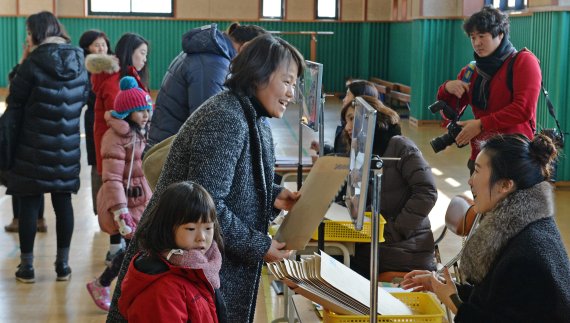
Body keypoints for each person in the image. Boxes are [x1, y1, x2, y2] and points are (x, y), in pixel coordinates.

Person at [107, 34, 305, 323]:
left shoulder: (250, 115)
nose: (291, 93)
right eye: (286, 82)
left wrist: (272, 194)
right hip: (174, 274)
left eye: (294, 85)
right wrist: (259, 246)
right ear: (259, 75)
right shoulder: (226, 117)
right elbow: (208, 207)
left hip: (194, 267)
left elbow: (234, 182)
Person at [401, 134, 570, 322]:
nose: (470, 181)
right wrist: (443, 286)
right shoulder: (523, 228)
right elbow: (500, 300)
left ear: (505, 185)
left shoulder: (526, 255)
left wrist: (453, 301)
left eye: (477, 171)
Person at [4, 11, 88, 283]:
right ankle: (62, 266)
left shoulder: (33, 62)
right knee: (63, 202)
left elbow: (14, 102)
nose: (27, 38)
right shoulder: (78, 60)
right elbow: (84, 97)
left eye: (29, 33)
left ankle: (27, 267)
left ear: (37, 33)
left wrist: (23, 60)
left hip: (33, 147)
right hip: (67, 147)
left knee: (29, 203)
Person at [436, 6, 541, 175]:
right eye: (473, 37)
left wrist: (481, 124)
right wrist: (446, 89)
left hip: (514, 157)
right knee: (481, 202)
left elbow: (523, 110)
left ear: (500, 34)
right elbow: (450, 114)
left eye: (482, 36)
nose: (477, 43)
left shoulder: (524, 61)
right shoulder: (470, 71)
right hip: (480, 157)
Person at [342, 95, 438, 279]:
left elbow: (427, 192)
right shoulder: (364, 153)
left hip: (406, 249)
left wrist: (395, 231)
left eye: (353, 118)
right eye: (346, 120)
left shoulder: (400, 146)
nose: (347, 128)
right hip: (381, 242)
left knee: (339, 262)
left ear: (373, 117)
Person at [86, 76, 152, 311]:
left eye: (147, 109)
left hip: (140, 202)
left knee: (136, 250)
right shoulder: (115, 138)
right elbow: (112, 179)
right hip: (124, 206)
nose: (146, 114)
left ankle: (120, 289)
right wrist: (120, 212)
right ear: (127, 112)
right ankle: (103, 284)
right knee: (134, 250)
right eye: (141, 110)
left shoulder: (139, 134)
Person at [118, 181, 226, 323]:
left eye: (208, 228)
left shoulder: (200, 269)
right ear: (167, 228)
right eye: (191, 229)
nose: (202, 238)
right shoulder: (163, 290)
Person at [147, 22, 266, 149]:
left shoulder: (210, 56)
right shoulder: (212, 65)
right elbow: (209, 130)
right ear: (245, 48)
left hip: (167, 149)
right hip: (168, 156)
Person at [85, 32, 149, 267]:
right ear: (128, 52)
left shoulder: (128, 77)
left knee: (128, 198)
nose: (144, 59)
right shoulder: (115, 82)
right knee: (118, 197)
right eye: (141, 53)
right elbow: (120, 123)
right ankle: (116, 251)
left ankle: (120, 248)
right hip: (116, 154)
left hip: (125, 153)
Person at [3, 34, 47, 234]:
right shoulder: (31, 67)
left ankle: (26, 219)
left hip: (24, 131)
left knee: (21, 179)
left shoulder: (31, 68)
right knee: (28, 180)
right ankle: (30, 218)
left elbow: (14, 86)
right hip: (29, 130)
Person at [310, 80, 378, 156]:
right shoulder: (347, 123)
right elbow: (343, 154)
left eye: (347, 95)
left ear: (359, 100)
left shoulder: (366, 132)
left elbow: (347, 161)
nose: (344, 99)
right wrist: (323, 148)